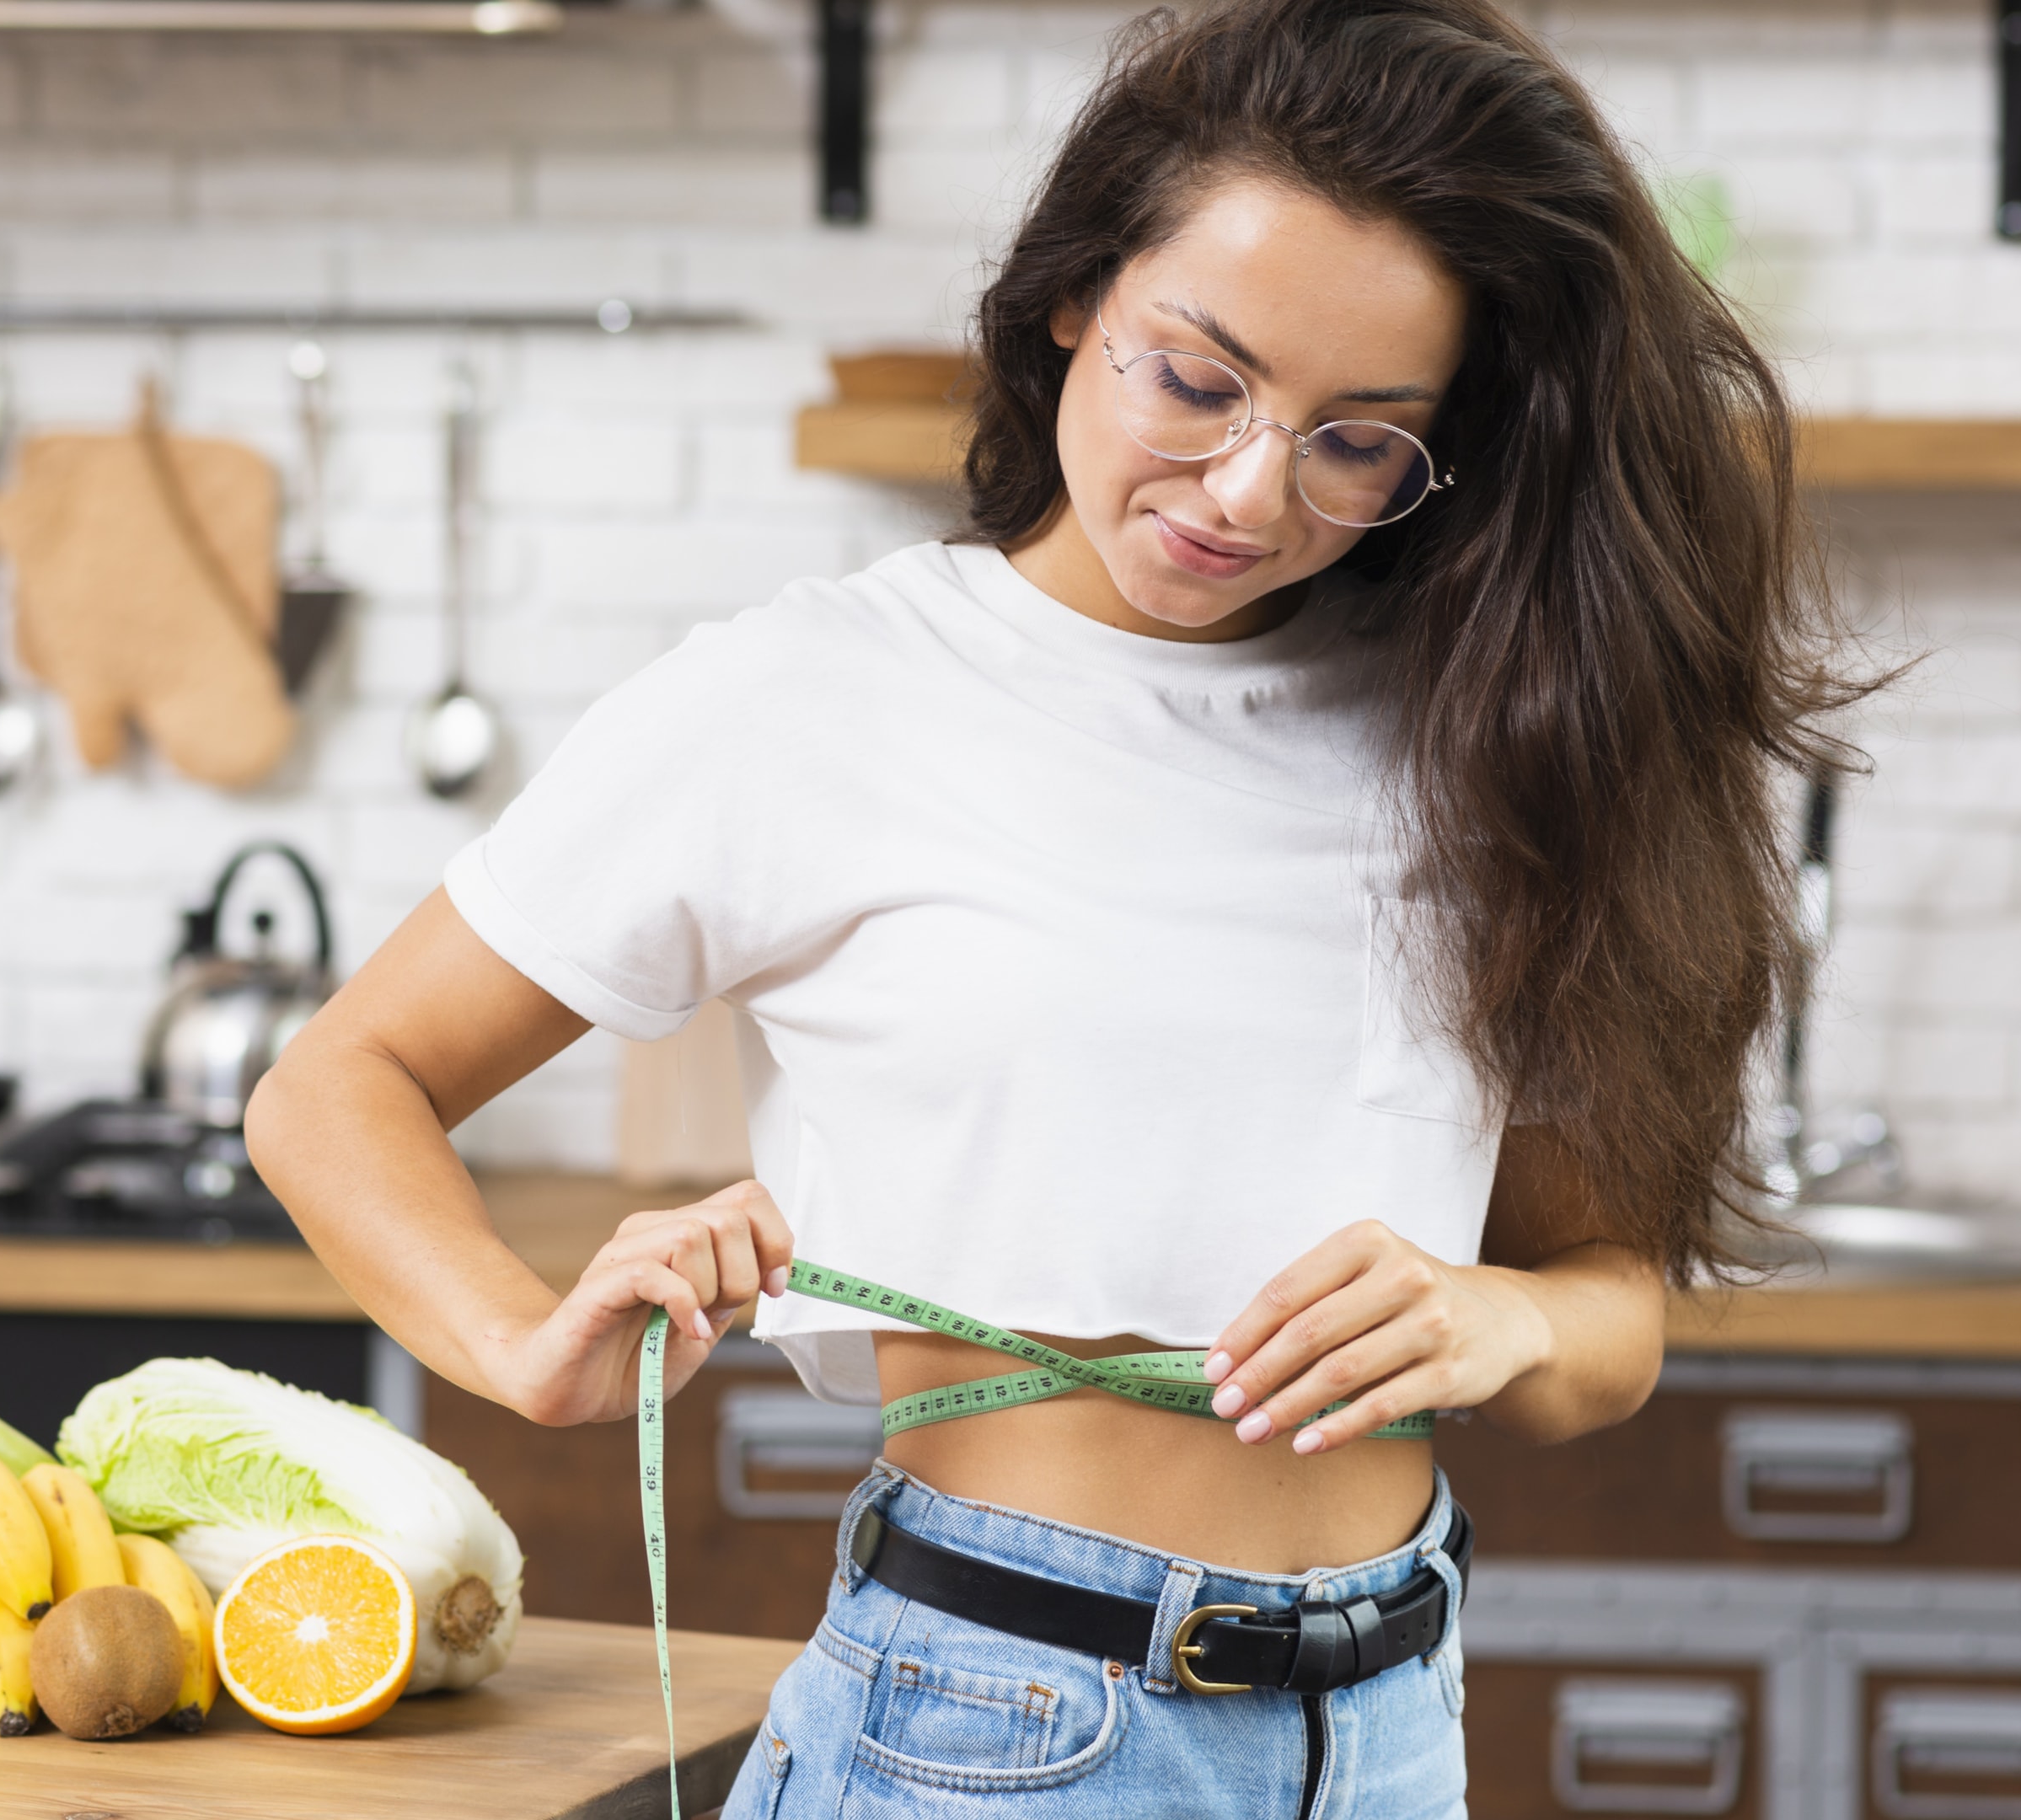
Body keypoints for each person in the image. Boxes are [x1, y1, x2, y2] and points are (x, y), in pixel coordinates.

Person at [246, 0, 1858, 1811]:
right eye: (1199, 379)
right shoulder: (822, 693)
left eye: (1359, 442)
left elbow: (1604, 1301)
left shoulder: (1490, 724)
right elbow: (337, 1083)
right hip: (1005, 1727)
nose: (1251, 491)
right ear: (1079, 294)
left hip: (1395, 1721)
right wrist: (513, 1348)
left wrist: (1512, 1325)